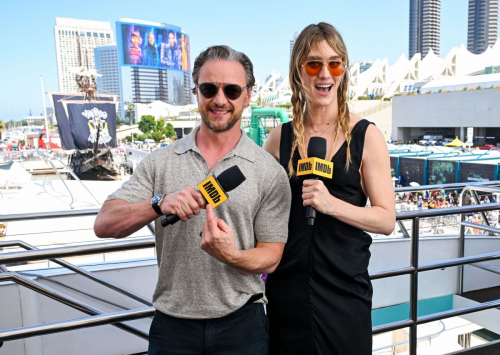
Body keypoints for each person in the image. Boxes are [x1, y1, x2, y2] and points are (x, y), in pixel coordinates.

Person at [94, 45, 291, 355]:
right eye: (209, 88)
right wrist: (157, 203)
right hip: (173, 326)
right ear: (196, 92)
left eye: (232, 90)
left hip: (243, 324)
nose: (220, 99)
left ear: (249, 94)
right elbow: (104, 225)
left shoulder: (269, 172)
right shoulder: (161, 162)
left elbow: (272, 256)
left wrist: (231, 255)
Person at [263, 23, 395, 355]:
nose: (325, 74)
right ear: (298, 72)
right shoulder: (279, 139)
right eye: (314, 64)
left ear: (344, 70)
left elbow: (386, 220)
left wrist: (331, 204)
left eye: (334, 63)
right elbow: (260, 209)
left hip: (344, 291)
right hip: (288, 291)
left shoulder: (368, 136)